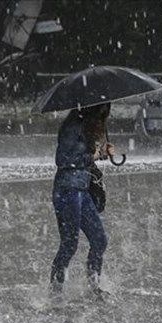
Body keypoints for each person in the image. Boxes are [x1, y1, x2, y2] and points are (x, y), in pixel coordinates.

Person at [49, 103, 115, 301]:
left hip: (81, 189)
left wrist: (103, 153)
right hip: (67, 190)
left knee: (99, 240)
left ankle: (94, 287)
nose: (104, 118)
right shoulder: (73, 126)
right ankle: (55, 292)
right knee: (69, 244)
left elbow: (82, 157)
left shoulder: (85, 126)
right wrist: (92, 155)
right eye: (102, 113)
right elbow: (62, 159)